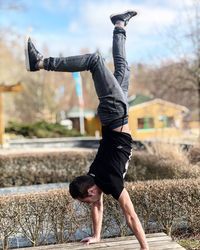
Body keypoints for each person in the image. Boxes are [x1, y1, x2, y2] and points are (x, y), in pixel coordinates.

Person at [25, 10, 149, 250]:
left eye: (87, 199)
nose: (90, 203)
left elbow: (131, 216)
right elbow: (98, 206)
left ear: (91, 189)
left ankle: (40, 63)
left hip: (115, 112)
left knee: (94, 60)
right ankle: (119, 24)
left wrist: (144, 248)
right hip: (114, 115)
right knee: (124, 69)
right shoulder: (96, 175)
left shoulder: (109, 181)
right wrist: (97, 236)